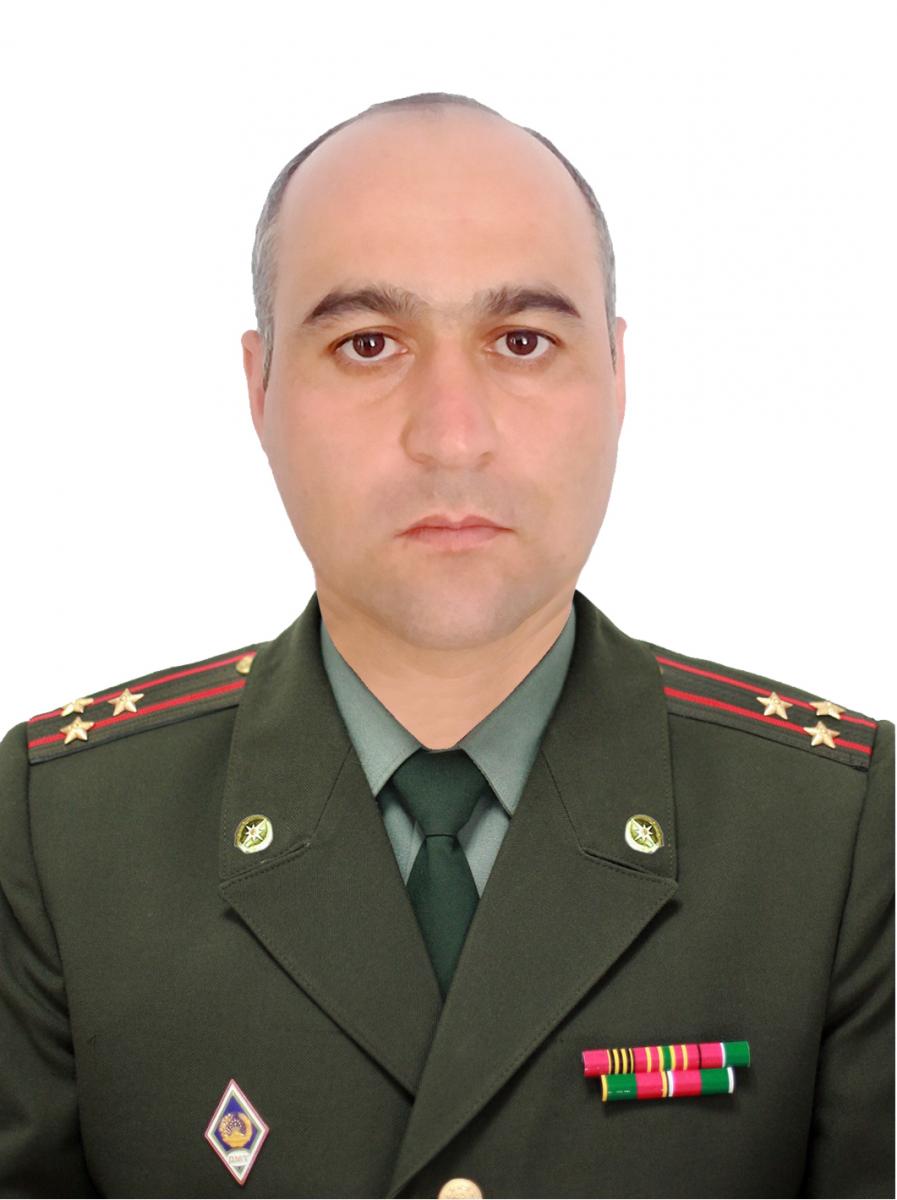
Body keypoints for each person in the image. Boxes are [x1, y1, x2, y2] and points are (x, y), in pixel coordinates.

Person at [0, 91, 892, 1200]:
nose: (452, 436)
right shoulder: (59, 834)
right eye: (368, 344)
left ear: (618, 378)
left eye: (522, 342)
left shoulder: (842, 836)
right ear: (259, 388)